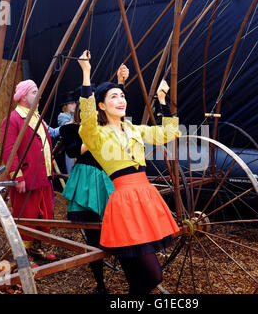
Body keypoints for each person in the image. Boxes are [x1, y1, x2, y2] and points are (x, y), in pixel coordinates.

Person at [77, 50, 180, 294]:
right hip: (124, 203)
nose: (121, 100)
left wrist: (163, 103)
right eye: (114, 97)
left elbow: (169, 134)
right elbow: (87, 118)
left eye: (122, 96)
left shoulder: (133, 128)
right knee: (153, 275)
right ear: (102, 104)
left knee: (140, 278)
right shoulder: (95, 133)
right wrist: (86, 72)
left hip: (145, 198)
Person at [60, 64, 129, 294]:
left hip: (107, 180)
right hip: (87, 183)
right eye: (82, 105)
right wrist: (92, 139)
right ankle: (100, 284)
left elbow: (116, 113)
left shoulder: (102, 126)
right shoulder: (71, 128)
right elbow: (71, 152)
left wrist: (120, 83)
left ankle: (131, 275)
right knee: (92, 237)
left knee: (118, 229)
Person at [0, 79, 56, 263]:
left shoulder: (36, 117)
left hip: (43, 178)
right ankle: (23, 259)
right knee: (26, 217)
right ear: (23, 97)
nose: (38, 95)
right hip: (28, 179)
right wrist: (17, 176)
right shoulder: (13, 120)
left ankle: (36, 251)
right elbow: (9, 150)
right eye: (34, 92)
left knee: (44, 215)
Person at [58, 92, 77, 174]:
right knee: (71, 172)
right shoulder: (62, 116)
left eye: (74, 103)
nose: (74, 105)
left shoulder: (74, 115)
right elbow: (66, 129)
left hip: (78, 145)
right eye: (71, 104)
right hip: (70, 146)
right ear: (65, 106)